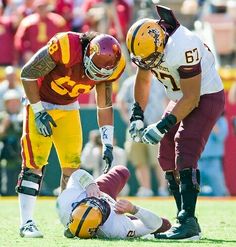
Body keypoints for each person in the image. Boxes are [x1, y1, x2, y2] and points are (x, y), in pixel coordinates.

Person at [125, 5, 225, 240]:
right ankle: (184, 216)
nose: (147, 63)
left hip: (205, 96)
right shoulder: (149, 44)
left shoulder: (183, 45)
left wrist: (161, 126)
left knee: (185, 146)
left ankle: (188, 223)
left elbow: (192, 98)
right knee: (166, 154)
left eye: (150, 58)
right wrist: (137, 114)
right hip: (182, 96)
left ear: (161, 43)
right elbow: (143, 80)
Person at [15, 31, 125, 238]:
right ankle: (26, 222)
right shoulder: (67, 46)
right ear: (86, 55)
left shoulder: (113, 64)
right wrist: (38, 112)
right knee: (34, 163)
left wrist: (107, 143)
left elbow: (104, 106)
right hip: (40, 101)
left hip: (68, 107)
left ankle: (68, 219)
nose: (96, 77)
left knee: (72, 168)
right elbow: (28, 73)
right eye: (94, 70)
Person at [56, 165, 171, 239]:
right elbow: (155, 225)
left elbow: (76, 174)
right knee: (165, 224)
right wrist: (134, 209)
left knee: (122, 171)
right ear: (99, 226)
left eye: (89, 202)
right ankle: (129, 218)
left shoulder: (65, 203)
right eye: (100, 208)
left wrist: (89, 184)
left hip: (95, 191)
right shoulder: (114, 230)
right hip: (115, 214)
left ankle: (92, 194)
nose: (98, 201)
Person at [116, 74, 168, 197]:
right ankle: (146, 189)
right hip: (135, 127)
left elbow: (167, 101)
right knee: (139, 160)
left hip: (156, 125)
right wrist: (128, 120)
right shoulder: (129, 82)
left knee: (159, 159)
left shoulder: (159, 82)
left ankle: (163, 189)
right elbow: (120, 101)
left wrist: (163, 121)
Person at [198, 113, 229, 196]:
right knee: (194, 191)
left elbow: (221, 136)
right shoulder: (196, 120)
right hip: (197, 161)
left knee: (220, 191)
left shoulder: (221, 120)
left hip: (213, 161)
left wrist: (210, 119)